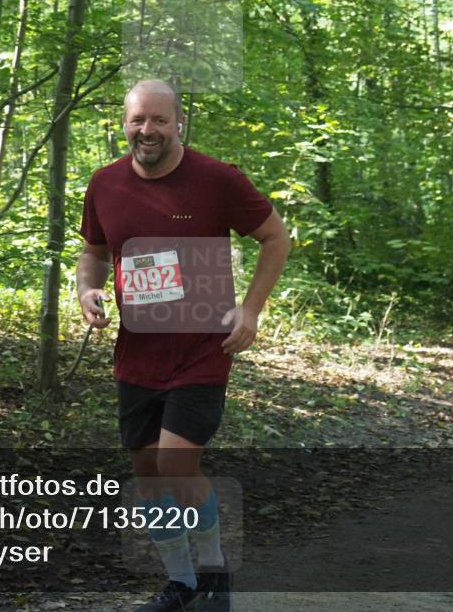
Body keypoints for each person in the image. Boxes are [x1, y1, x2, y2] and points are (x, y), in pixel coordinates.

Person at [75, 79, 291, 611]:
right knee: (147, 476)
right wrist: (87, 289)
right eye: (138, 120)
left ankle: (215, 572)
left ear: (179, 124)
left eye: (159, 120)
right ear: (123, 123)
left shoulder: (217, 179)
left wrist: (251, 308)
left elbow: (275, 237)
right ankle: (181, 582)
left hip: (202, 350)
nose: (147, 130)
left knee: (176, 465)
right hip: (137, 353)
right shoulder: (105, 184)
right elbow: (94, 251)